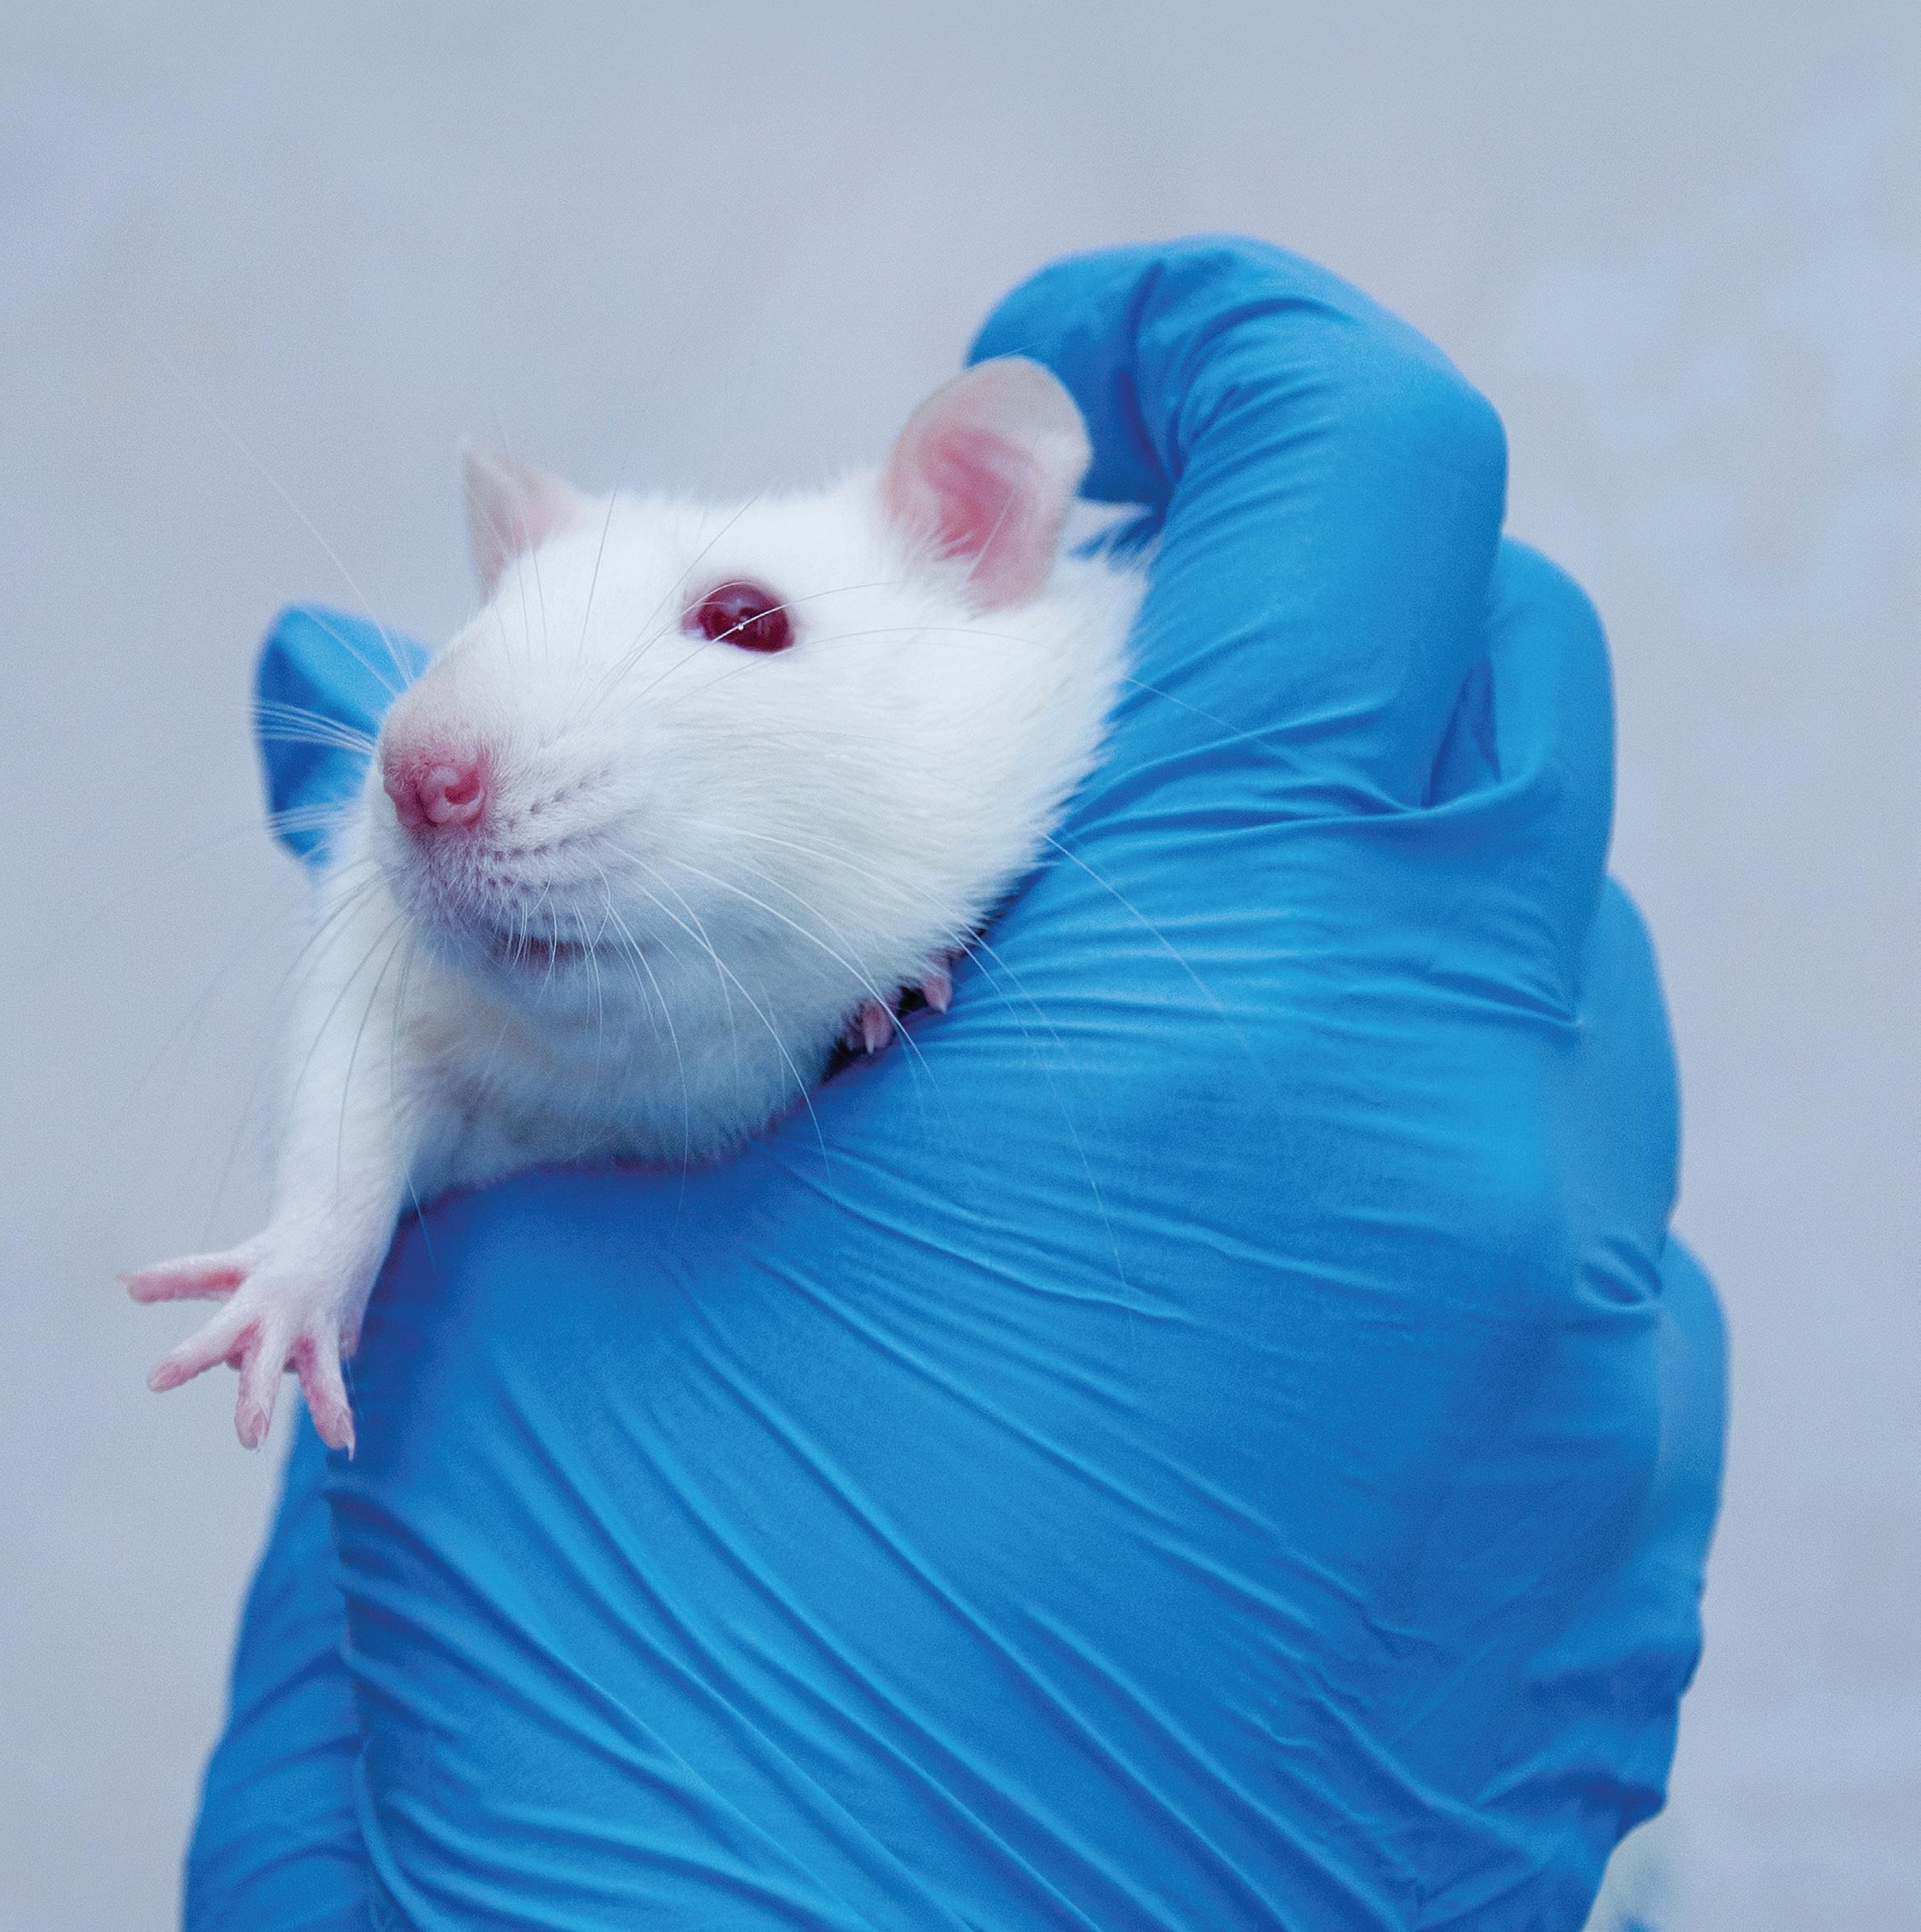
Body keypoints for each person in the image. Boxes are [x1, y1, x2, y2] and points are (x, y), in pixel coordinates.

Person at [180, 239, 1726, 1930]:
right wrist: (320, 1232)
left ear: (982, 525)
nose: (433, 762)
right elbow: (378, 1012)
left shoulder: (1060, 742)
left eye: (738, 625)